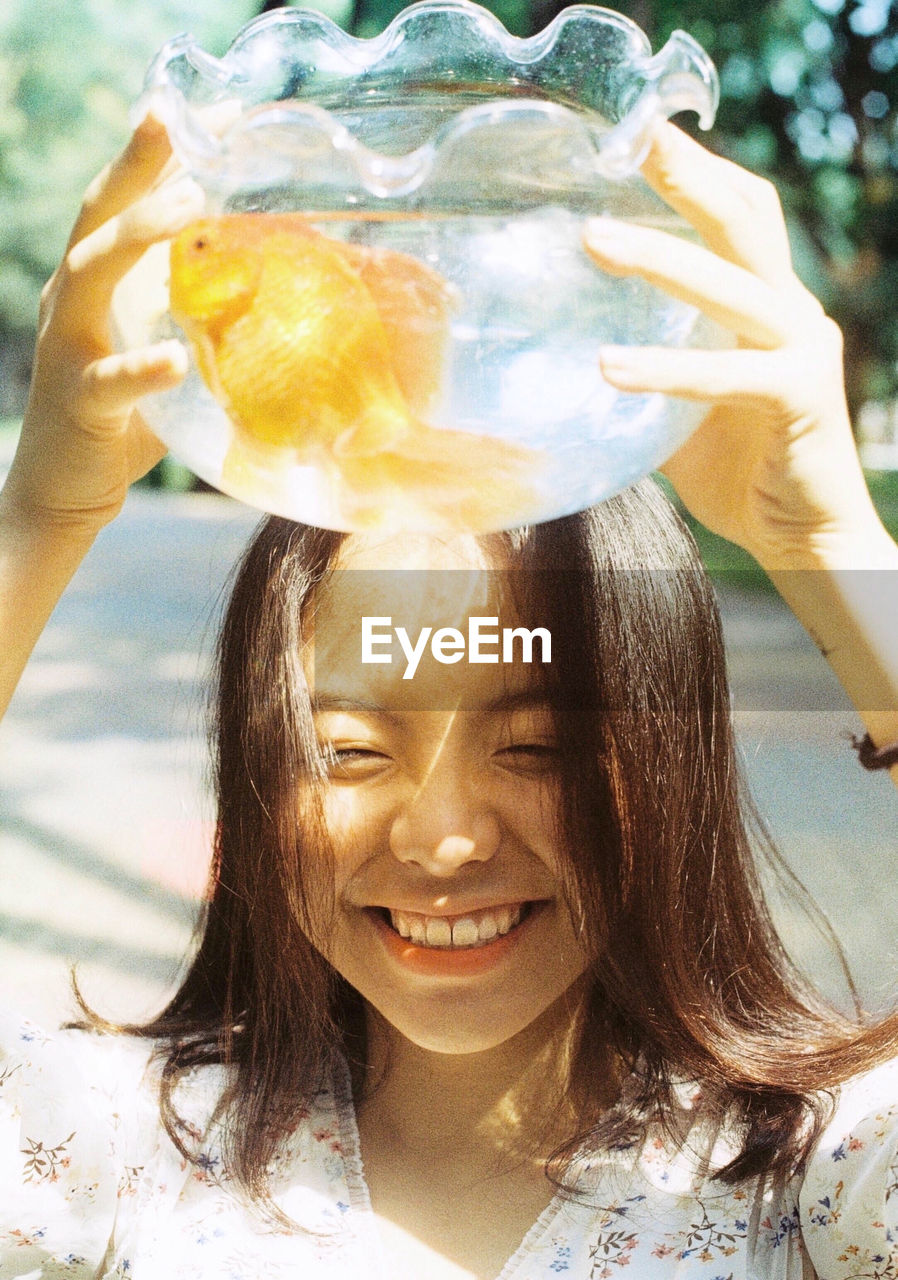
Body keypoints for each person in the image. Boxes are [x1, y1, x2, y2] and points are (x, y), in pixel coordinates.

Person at [1, 107, 897, 1280]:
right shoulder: (107, 1150)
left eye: (538, 748)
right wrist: (35, 524)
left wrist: (829, 543)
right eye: (351, 751)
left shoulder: (811, 1179)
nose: (443, 836)